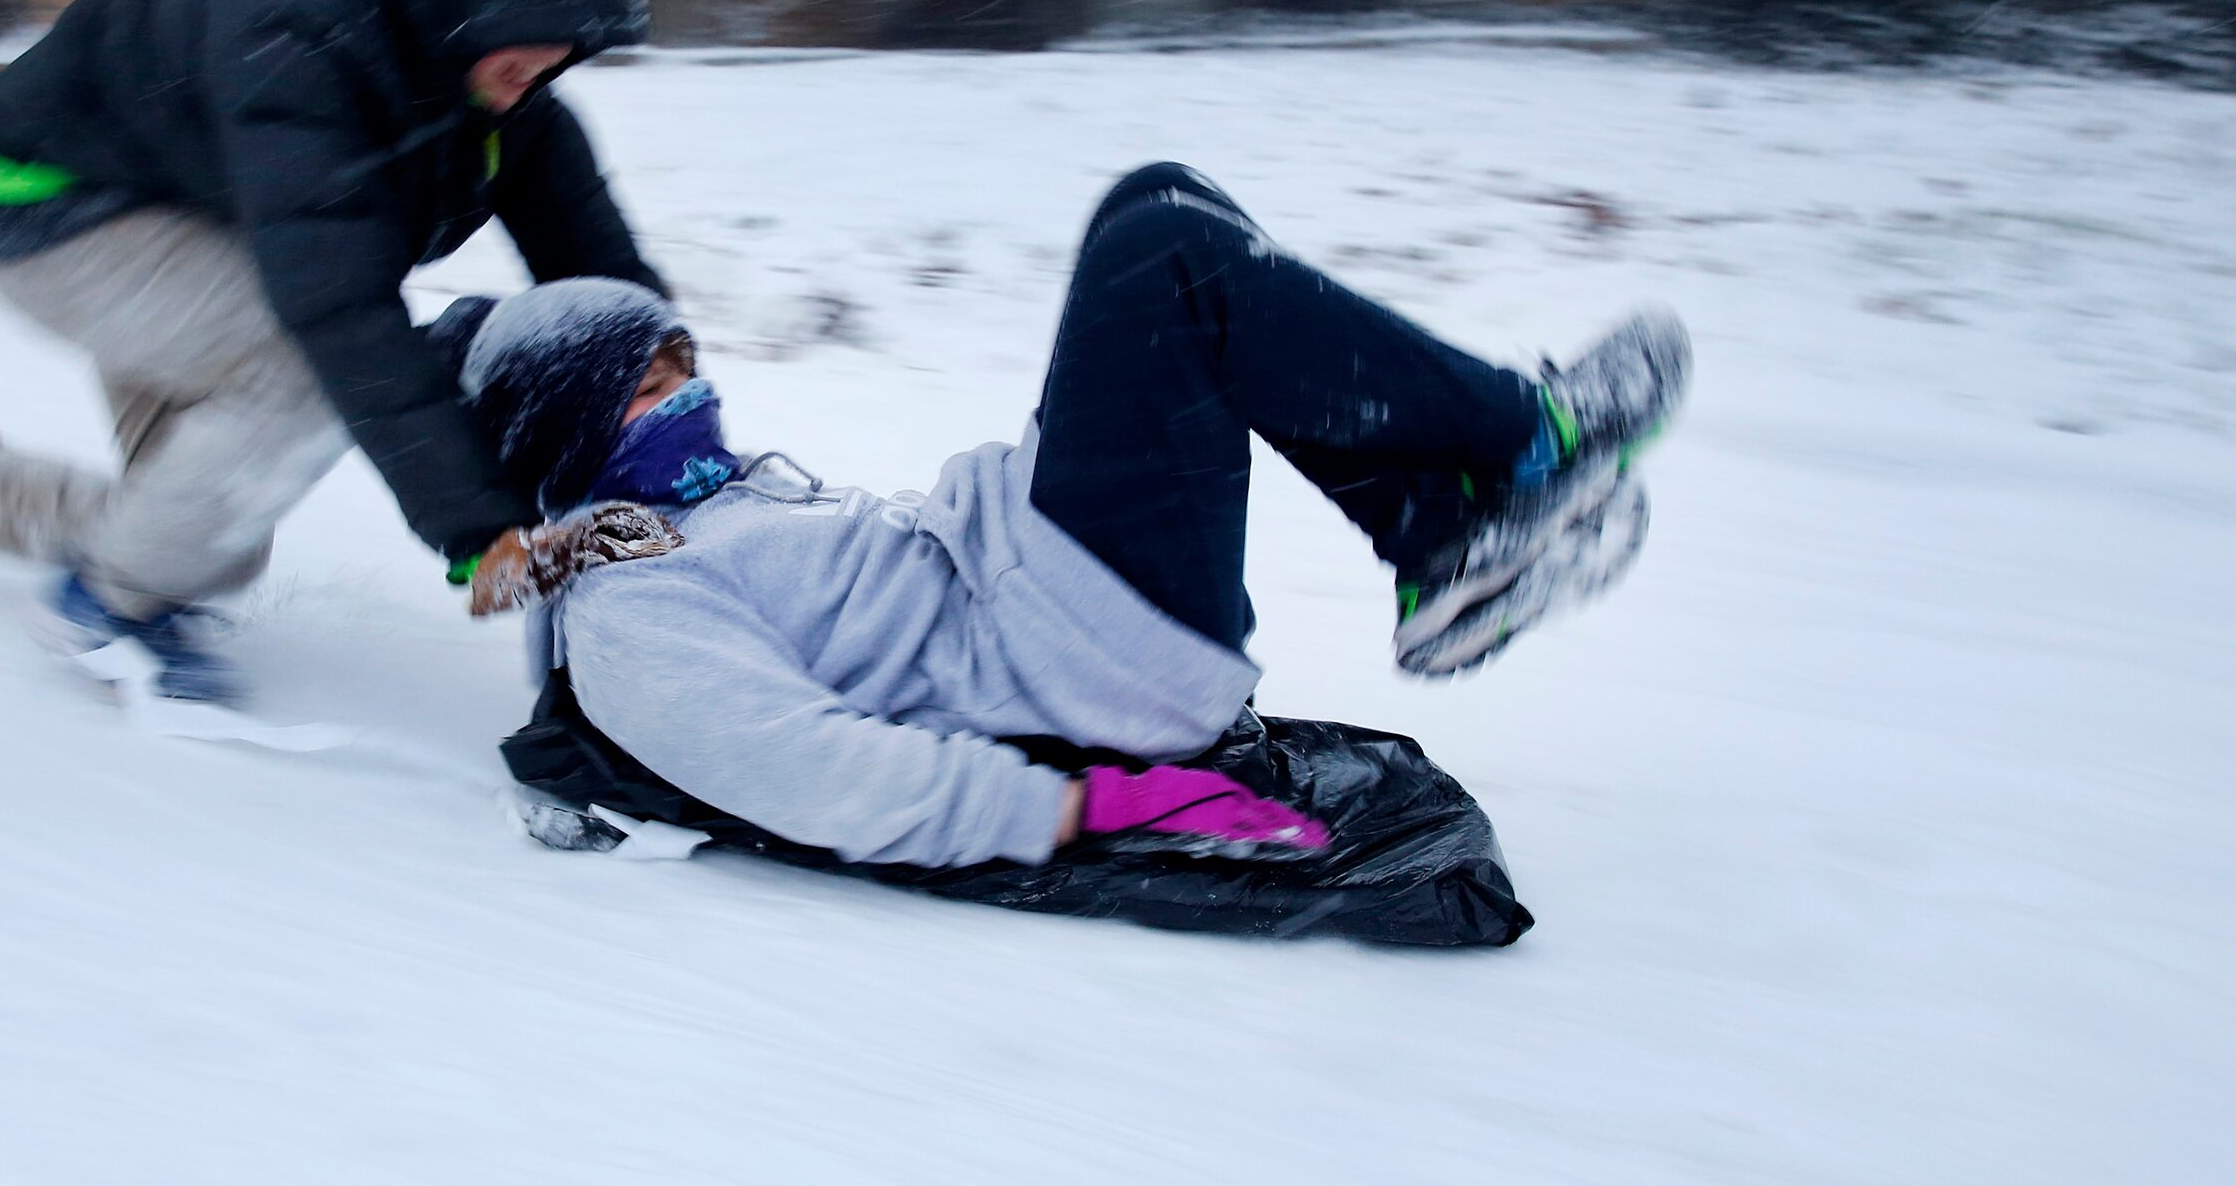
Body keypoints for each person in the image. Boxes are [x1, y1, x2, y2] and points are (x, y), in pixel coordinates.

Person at [440, 162, 1690, 871]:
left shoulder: (703, 497)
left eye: (679, 362)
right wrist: (1089, 807)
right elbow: (809, 774)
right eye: (645, 386)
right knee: (1159, 258)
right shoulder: (631, 604)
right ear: (570, 436)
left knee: (1159, 202)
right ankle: (1524, 440)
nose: (688, 393)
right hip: (1073, 660)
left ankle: (1443, 542)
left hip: (1049, 581)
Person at [0, 0, 667, 702]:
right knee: (292, 387)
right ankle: (103, 611)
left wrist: (673, 436)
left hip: (197, 203)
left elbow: (609, 292)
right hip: (51, 201)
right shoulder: (303, 49)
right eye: (534, 17)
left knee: (200, 545)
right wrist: (481, 534)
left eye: (571, 26)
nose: (557, 49)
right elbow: (344, 321)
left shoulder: (499, 91)